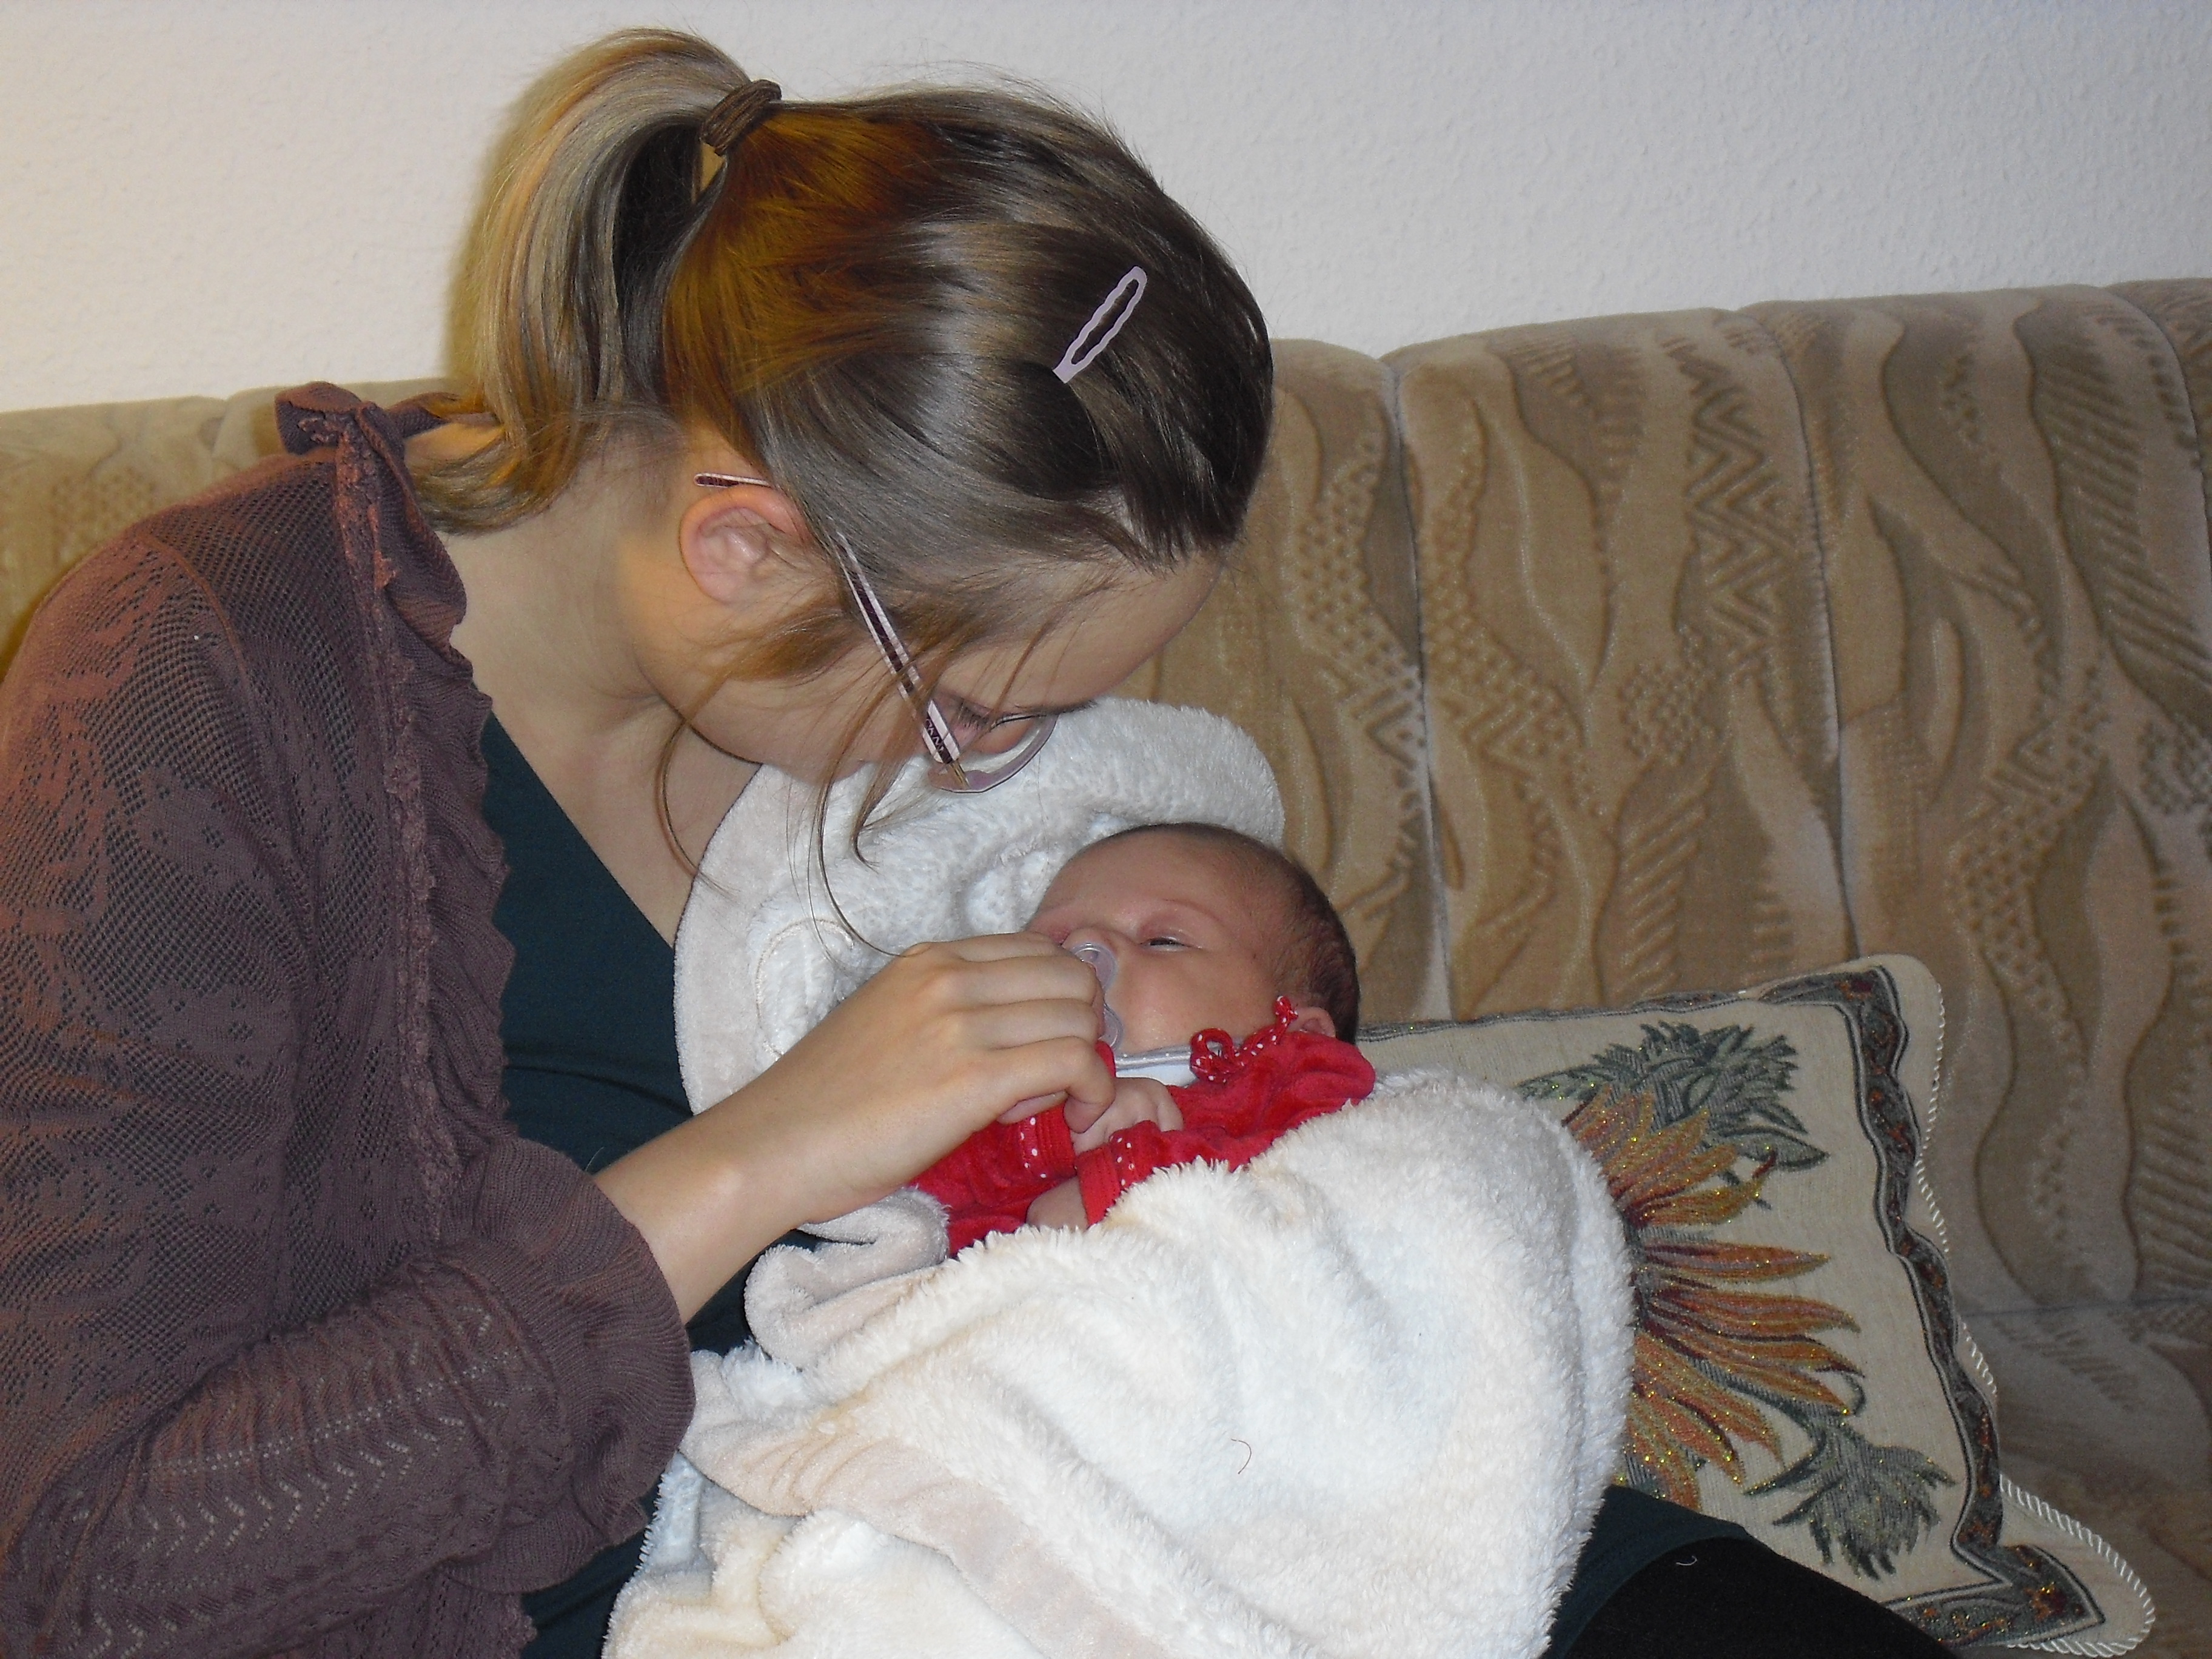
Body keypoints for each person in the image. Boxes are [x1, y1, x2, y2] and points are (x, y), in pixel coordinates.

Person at [0, 26, 1952, 1659]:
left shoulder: (883, 624)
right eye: (973, 712)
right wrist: (765, 1154)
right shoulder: (200, 687)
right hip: (778, 1581)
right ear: (745, 549)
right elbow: (85, 1562)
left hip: (1184, 1476)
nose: (1011, 769)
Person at [914, 822, 1375, 1249]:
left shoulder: (1297, 1089)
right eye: (1053, 946)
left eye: (1161, 941)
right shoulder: (994, 1104)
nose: (1084, 956)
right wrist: (1051, 1134)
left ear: (1299, 1034)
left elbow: (1323, 1180)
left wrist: (1124, 1180)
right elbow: (912, 1173)